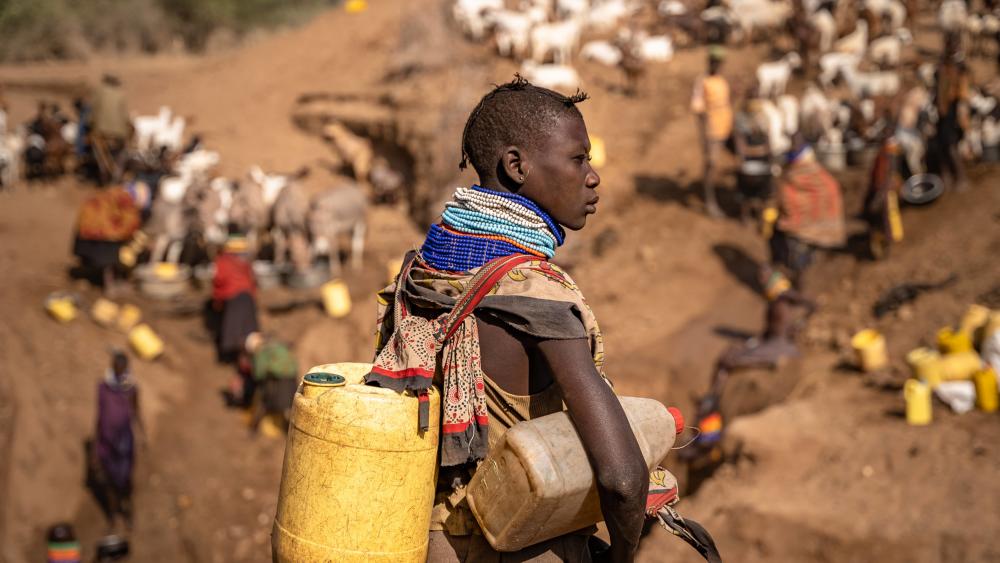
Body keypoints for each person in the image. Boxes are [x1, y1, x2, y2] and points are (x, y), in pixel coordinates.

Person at [367, 77, 649, 562]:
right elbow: (622, 480)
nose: (593, 175)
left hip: (425, 543)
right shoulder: (537, 296)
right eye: (578, 159)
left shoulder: (424, 270)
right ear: (516, 166)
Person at [686, 266, 814, 460]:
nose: (762, 282)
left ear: (774, 280)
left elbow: (811, 304)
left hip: (777, 347)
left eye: (765, 279)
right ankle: (712, 399)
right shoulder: (776, 300)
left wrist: (800, 325)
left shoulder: (782, 294)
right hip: (770, 342)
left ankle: (713, 398)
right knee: (731, 353)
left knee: (727, 359)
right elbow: (770, 329)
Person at [765, 139, 846, 288]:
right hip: (808, 228)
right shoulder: (819, 175)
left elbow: (782, 199)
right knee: (799, 262)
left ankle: (792, 286)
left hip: (795, 230)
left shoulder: (789, 175)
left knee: (794, 262)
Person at [92, 351, 144, 532]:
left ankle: (128, 512)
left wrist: (143, 436)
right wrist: (95, 449)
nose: (119, 369)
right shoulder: (103, 388)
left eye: (121, 366)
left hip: (124, 445)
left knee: (126, 482)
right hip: (107, 443)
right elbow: (99, 417)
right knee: (109, 484)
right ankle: (112, 517)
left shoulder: (131, 389)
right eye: (116, 365)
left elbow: (137, 413)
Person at [690, 47, 733, 218]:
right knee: (711, 164)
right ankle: (710, 201)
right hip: (712, 130)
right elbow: (698, 110)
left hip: (726, 126)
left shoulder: (721, 80)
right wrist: (704, 136)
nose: (717, 65)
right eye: (714, 62)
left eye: (719, 62)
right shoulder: (702, 81)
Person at [211, 235, 259, 363]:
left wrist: (217, 301)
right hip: (248, 298)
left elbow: (219, 280)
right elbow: (253, 282)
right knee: (249, 335)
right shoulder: (246, 262)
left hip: (234, 299)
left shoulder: (222, 261)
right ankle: (247, 362)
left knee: (235, 336)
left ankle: (238, 362)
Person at [932, 33, 971, 192]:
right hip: (942, 110)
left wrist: (962, 113)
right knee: (941, 144)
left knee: (950, 145)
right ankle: (946, 177)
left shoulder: (959, 67)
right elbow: (938, 86)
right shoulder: (943, 65)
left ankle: (961, 177)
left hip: (952, 110)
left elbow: (962, 93)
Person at [242, 332, 299, 434]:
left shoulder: (261, 352)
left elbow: (258, 374)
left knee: (264, 403)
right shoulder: (277, 345)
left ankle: (253, 429)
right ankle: (293, 431)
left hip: (277, 382)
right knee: (291, 407)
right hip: (291, 379)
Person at [90, 74, 132, 185]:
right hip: (119, 134)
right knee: (122, 154)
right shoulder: (120, 94)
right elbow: (125, 116)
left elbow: (93, 114)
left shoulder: (98, 93)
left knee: (99, 152)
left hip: (102, 133)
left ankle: (104, 174)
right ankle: (116, 177)